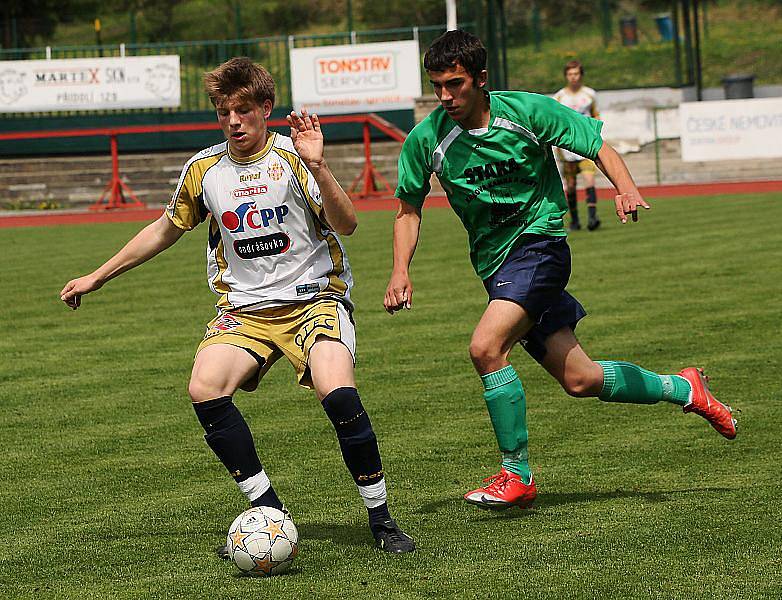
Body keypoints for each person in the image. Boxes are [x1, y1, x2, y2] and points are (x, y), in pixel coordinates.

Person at [60, 57, 415, 553]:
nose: (233, 122)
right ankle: (269, 511)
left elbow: (348, 223)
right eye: (224, 112)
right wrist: (98, 276)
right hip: (245, 310)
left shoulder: (295, 158)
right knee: (204, 388)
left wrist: (319, 165)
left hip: (315, 299)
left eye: (243, 110)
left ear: (265, 109)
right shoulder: (204, 169)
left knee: (338, 394)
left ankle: (381, 520)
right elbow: (165, 229)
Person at [384, 30, 736, 511]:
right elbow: (408, 210)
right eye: (437, 86)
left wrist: (626, 188)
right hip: (496, 266)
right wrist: (399, 271)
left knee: (486, 349)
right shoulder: (427, 140)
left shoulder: (527, 112)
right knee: (582, 380)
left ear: (481, 79)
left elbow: (598, 146)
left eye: (456, 84)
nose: (445, 96)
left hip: (540, 246)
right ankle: (685, 388)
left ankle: (517, 474)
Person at [554, 60, 601, 231]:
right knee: (571, 186)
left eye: (576, 73)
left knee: (589, 180)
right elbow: (556, 121)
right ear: (566, 76)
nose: (573, 77)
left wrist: (594, 137)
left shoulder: (590, 94)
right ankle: (574, 220)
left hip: (586, 147)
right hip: (566, 149)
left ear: (581, 75)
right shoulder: (559, 97)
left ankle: (593, 218)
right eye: (570, 74)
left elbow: (595, 116)